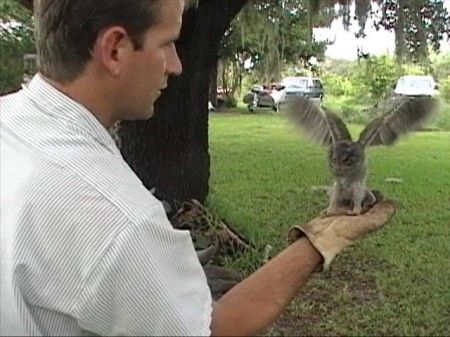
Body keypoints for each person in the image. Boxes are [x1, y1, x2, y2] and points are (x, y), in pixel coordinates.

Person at [0, 1, 396, 336]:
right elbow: (210, 327)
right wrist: (322, 238)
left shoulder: (9, 121)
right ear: (115, 50)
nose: (176, 65)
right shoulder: (117, 217)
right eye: (168, 43)